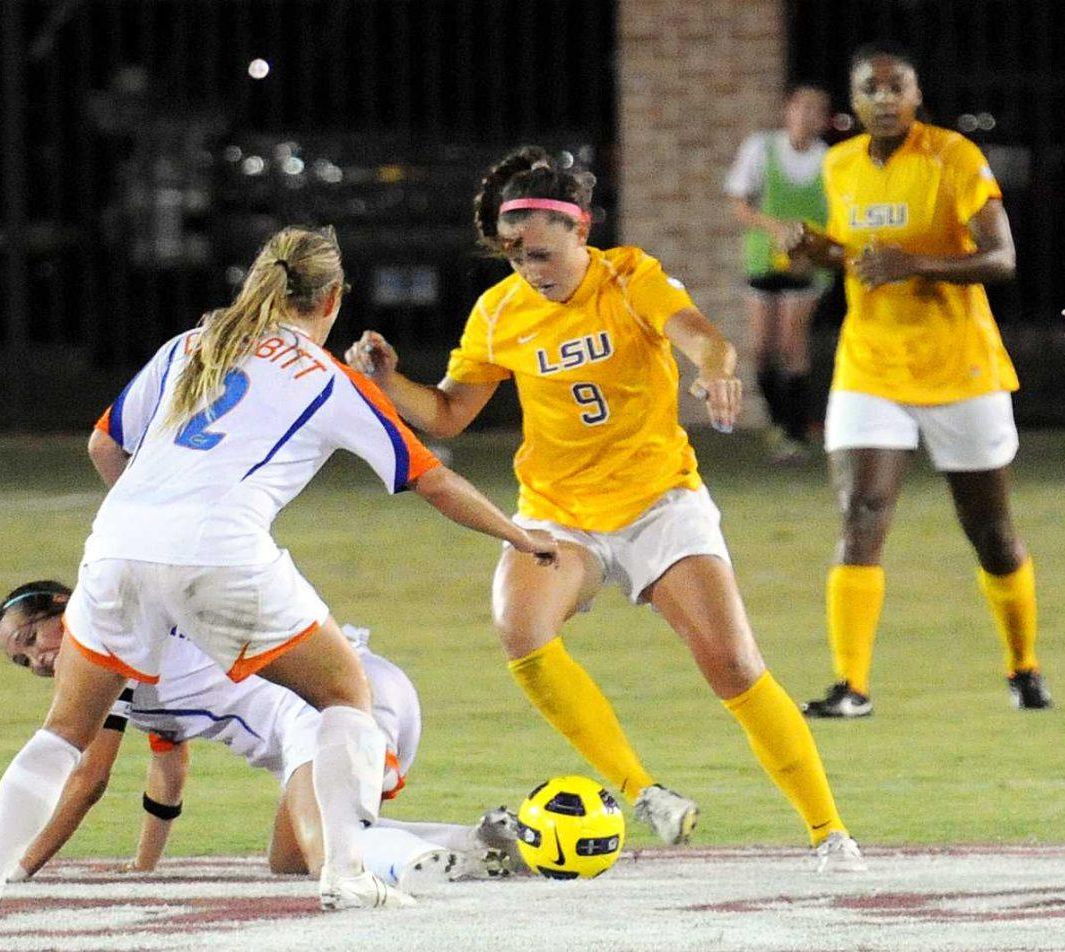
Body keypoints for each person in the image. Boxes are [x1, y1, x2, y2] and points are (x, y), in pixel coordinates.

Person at [0, 225, 557, 925]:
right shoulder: (330, 378)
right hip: (221, 552)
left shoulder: (190, 344)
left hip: (113, 548)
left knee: (62, 733)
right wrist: (519, 535)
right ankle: (346, 875)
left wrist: (152, 536)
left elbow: (103, 443)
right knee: (345, 694)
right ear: (331, 299)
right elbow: (432, 480)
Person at [345, 147, 862, 871]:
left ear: (581, 232)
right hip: (560, 514)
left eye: (544, 254)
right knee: (520, 629)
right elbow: (451, 414)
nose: (532, 270)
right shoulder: (499, 313)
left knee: (734, 666)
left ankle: (828, 831)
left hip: (658, 504)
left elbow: (702, 338)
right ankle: (642, 792)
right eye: (518, 258)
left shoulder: (630, 277)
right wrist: (390, 380)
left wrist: (716, 371)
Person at [787, 44, 1051, 718]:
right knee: (861, 515)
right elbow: (865, 255)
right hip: (871, 364)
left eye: (894, 86)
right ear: (853, 100)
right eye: (868, 89)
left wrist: (916, 266)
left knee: (990, 531)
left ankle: (1023, 667)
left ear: (915, 93)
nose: (882, 98)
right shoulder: (839, 163)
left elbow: (1002, 258)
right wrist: (824, 251)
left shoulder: (952, 156)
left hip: (959, 366)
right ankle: (852, 687)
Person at [0, 581, 520, 893]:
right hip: (363, 690)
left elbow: (86, 779)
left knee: (331, 861)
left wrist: (13, 869)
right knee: (290, 860)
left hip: (323, 705)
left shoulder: (108, 641)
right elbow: (167, 771)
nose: (36, 659)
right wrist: (144, 865)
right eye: (21, 660)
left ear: (65, 602)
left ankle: (402, 861)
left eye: (31, 637)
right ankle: (479, 842)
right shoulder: (129, 643)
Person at [725, 85, 832, 462]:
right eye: (801, 107)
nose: (807, 116)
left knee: (792, 344)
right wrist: (776, 230)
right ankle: (776, 423)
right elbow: (739, 204)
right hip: (762, 259)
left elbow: (835, 215)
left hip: (806, 265)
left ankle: (796, 432)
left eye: (816, 110)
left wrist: (811, 247)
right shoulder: (761, 148)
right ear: (787, 110)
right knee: (761, 349)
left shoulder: (829, 161)